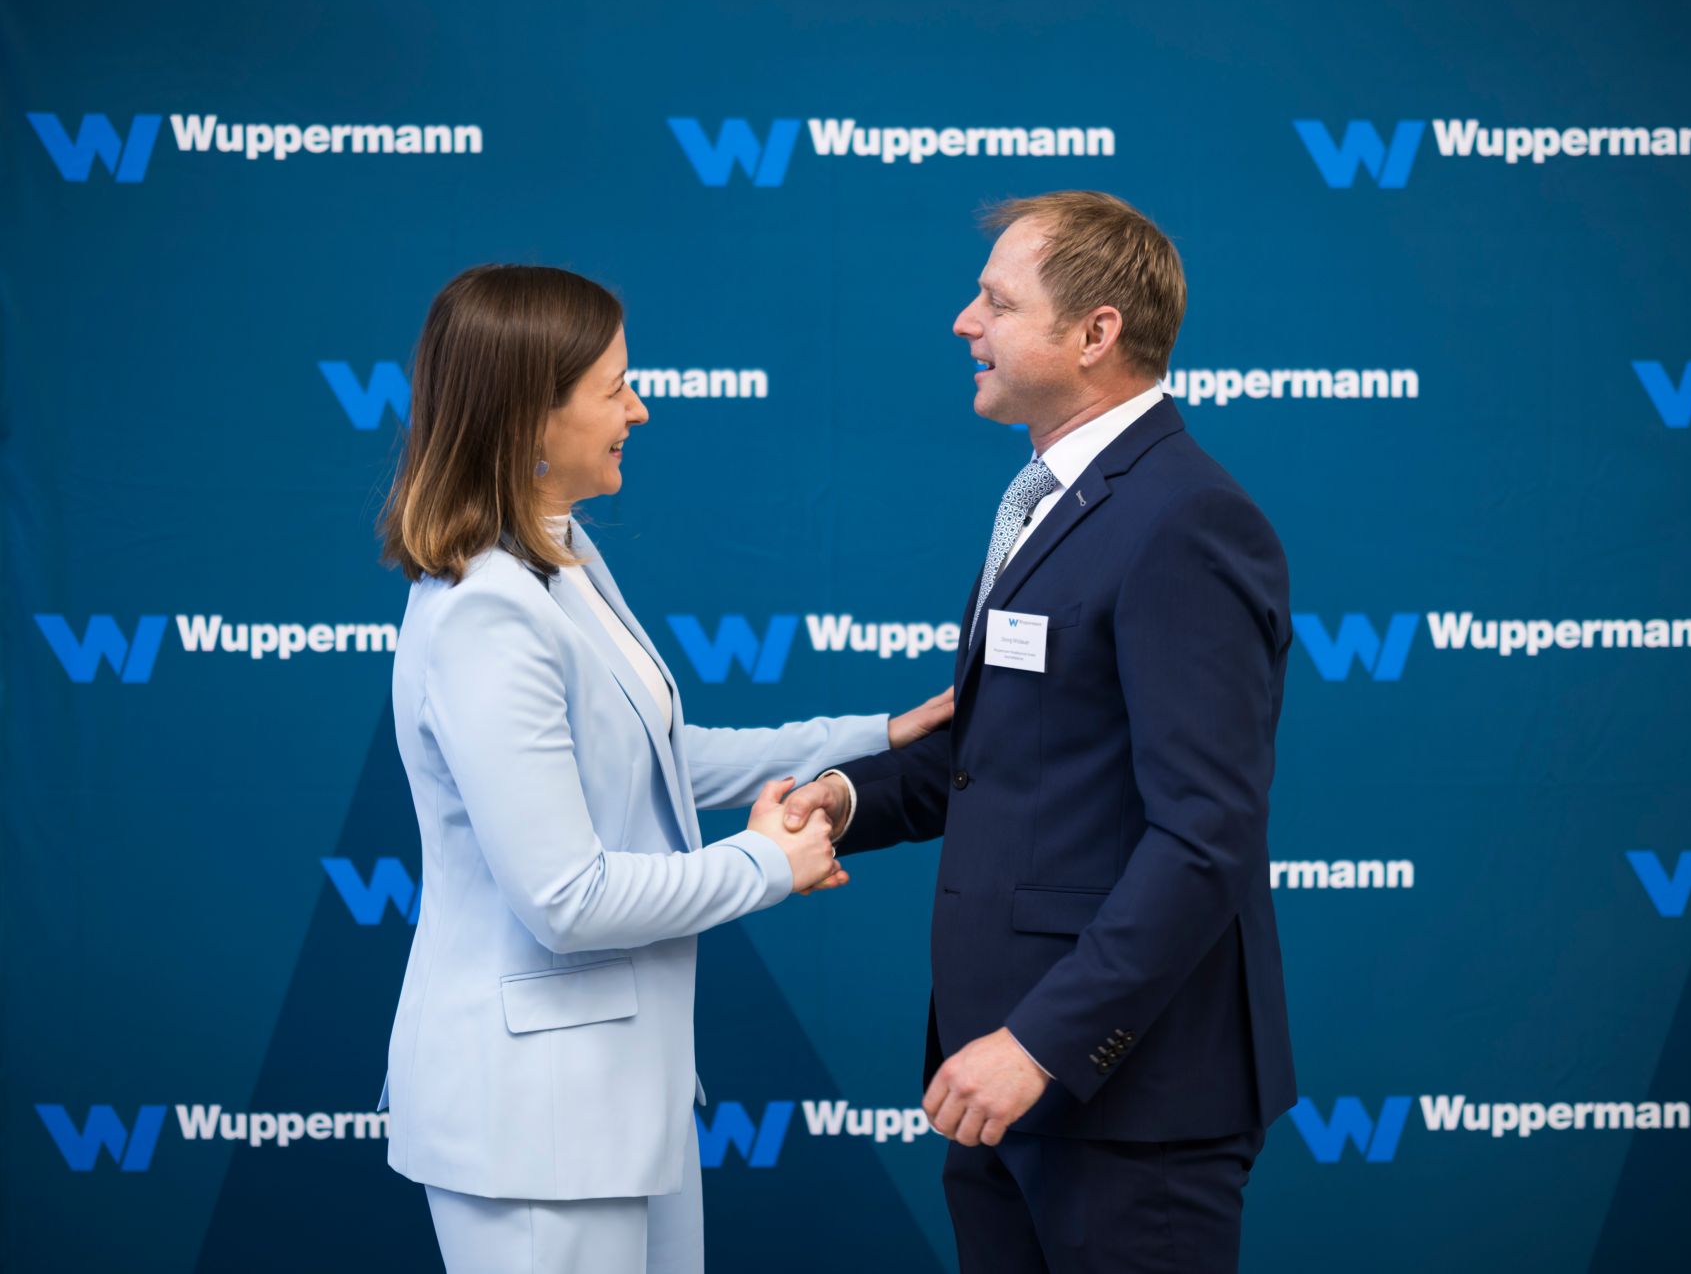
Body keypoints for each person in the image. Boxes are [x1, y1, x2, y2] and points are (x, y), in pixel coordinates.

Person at [374, 264, 953, 1274]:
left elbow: (652, 760)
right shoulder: (488, 612)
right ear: (528, 418)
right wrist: (768, 864)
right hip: (532, 1125)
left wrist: (873, 734)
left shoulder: (564, 557)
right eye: (614, 389)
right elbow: (568, 896)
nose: (638, 409)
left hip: (620, 1103)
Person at [781, 192, 1296, 1273]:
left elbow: (1204, 838)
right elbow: (1012, 758)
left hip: (1120, 1099)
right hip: (1000, 1085)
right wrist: (848, 797)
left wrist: (1040, 1043)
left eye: (995, 301)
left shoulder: (1183, 517)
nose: (963, 322)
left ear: (1094, 333)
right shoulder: (1049, 498)